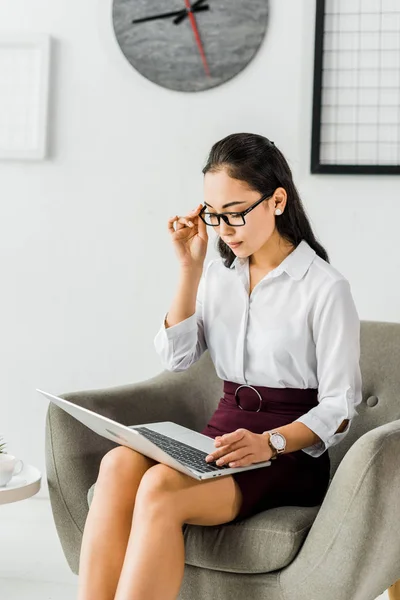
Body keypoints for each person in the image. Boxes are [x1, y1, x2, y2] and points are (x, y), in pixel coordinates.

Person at [76, 133, 362, 600]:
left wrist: (270, 442)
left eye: (236, 212)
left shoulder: (324, 288)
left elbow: (341, 406)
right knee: (117, 464)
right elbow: (177, 358)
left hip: (284, 453)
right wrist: (189, 269)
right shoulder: (218, 275)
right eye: (214, 214)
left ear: (277, 200)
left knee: (160, 489)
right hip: (220, 437)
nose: (225, 228)